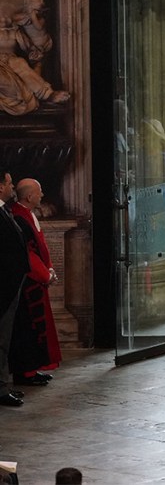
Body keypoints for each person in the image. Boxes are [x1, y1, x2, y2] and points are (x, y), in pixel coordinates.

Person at [9, 178, 61, 386]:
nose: (42, 195)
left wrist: (49, 269)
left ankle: (32, 369)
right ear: (30, 196)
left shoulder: (26, 213)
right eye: (39, 192)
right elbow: (28, 252)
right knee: (28, 328)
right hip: (28, 284)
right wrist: (45, 275)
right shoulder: (18, 216)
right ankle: (25, 372)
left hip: (36, 280)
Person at [0, 168, 29, 407]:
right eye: (9, 183)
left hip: (10, 286)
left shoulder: (4, 210)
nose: (12, 187)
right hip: (3, 287)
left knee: (5, 339)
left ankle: (3, 385)